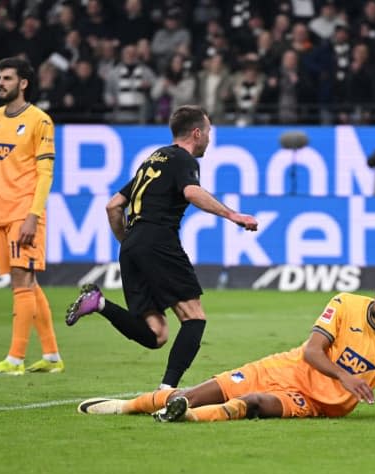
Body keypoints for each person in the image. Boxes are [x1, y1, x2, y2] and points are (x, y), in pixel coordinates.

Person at [64, 105, 259, 390]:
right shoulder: (183, 159)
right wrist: (233, 215)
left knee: (156, 334)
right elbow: (191, 192)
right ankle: (166, 390)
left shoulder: (153, 160)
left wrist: (129, 243)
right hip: (158, 241)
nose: (209, 139)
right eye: (208, 132)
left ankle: (100, 303)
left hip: (132, 245)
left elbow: (113, 205)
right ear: (196, 133)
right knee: (194, 317)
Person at [77, 267, 375, 424]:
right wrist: (347, 378)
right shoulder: (347, 303)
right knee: (202, 391)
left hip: (314, 402)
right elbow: (311, 351)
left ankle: (186, 418)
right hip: (284, 367)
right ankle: (126, 407)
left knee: (252, 404)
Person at [0, 57, 63, 375]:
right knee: (26, 283)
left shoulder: (40, 121)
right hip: (1, 213)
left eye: (7, 78)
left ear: (23, 83)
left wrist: (33, 215)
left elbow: (45, 172)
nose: (0, 83)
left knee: (22, 281)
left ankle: (14, 360)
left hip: (25, 212)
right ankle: (51, 357)